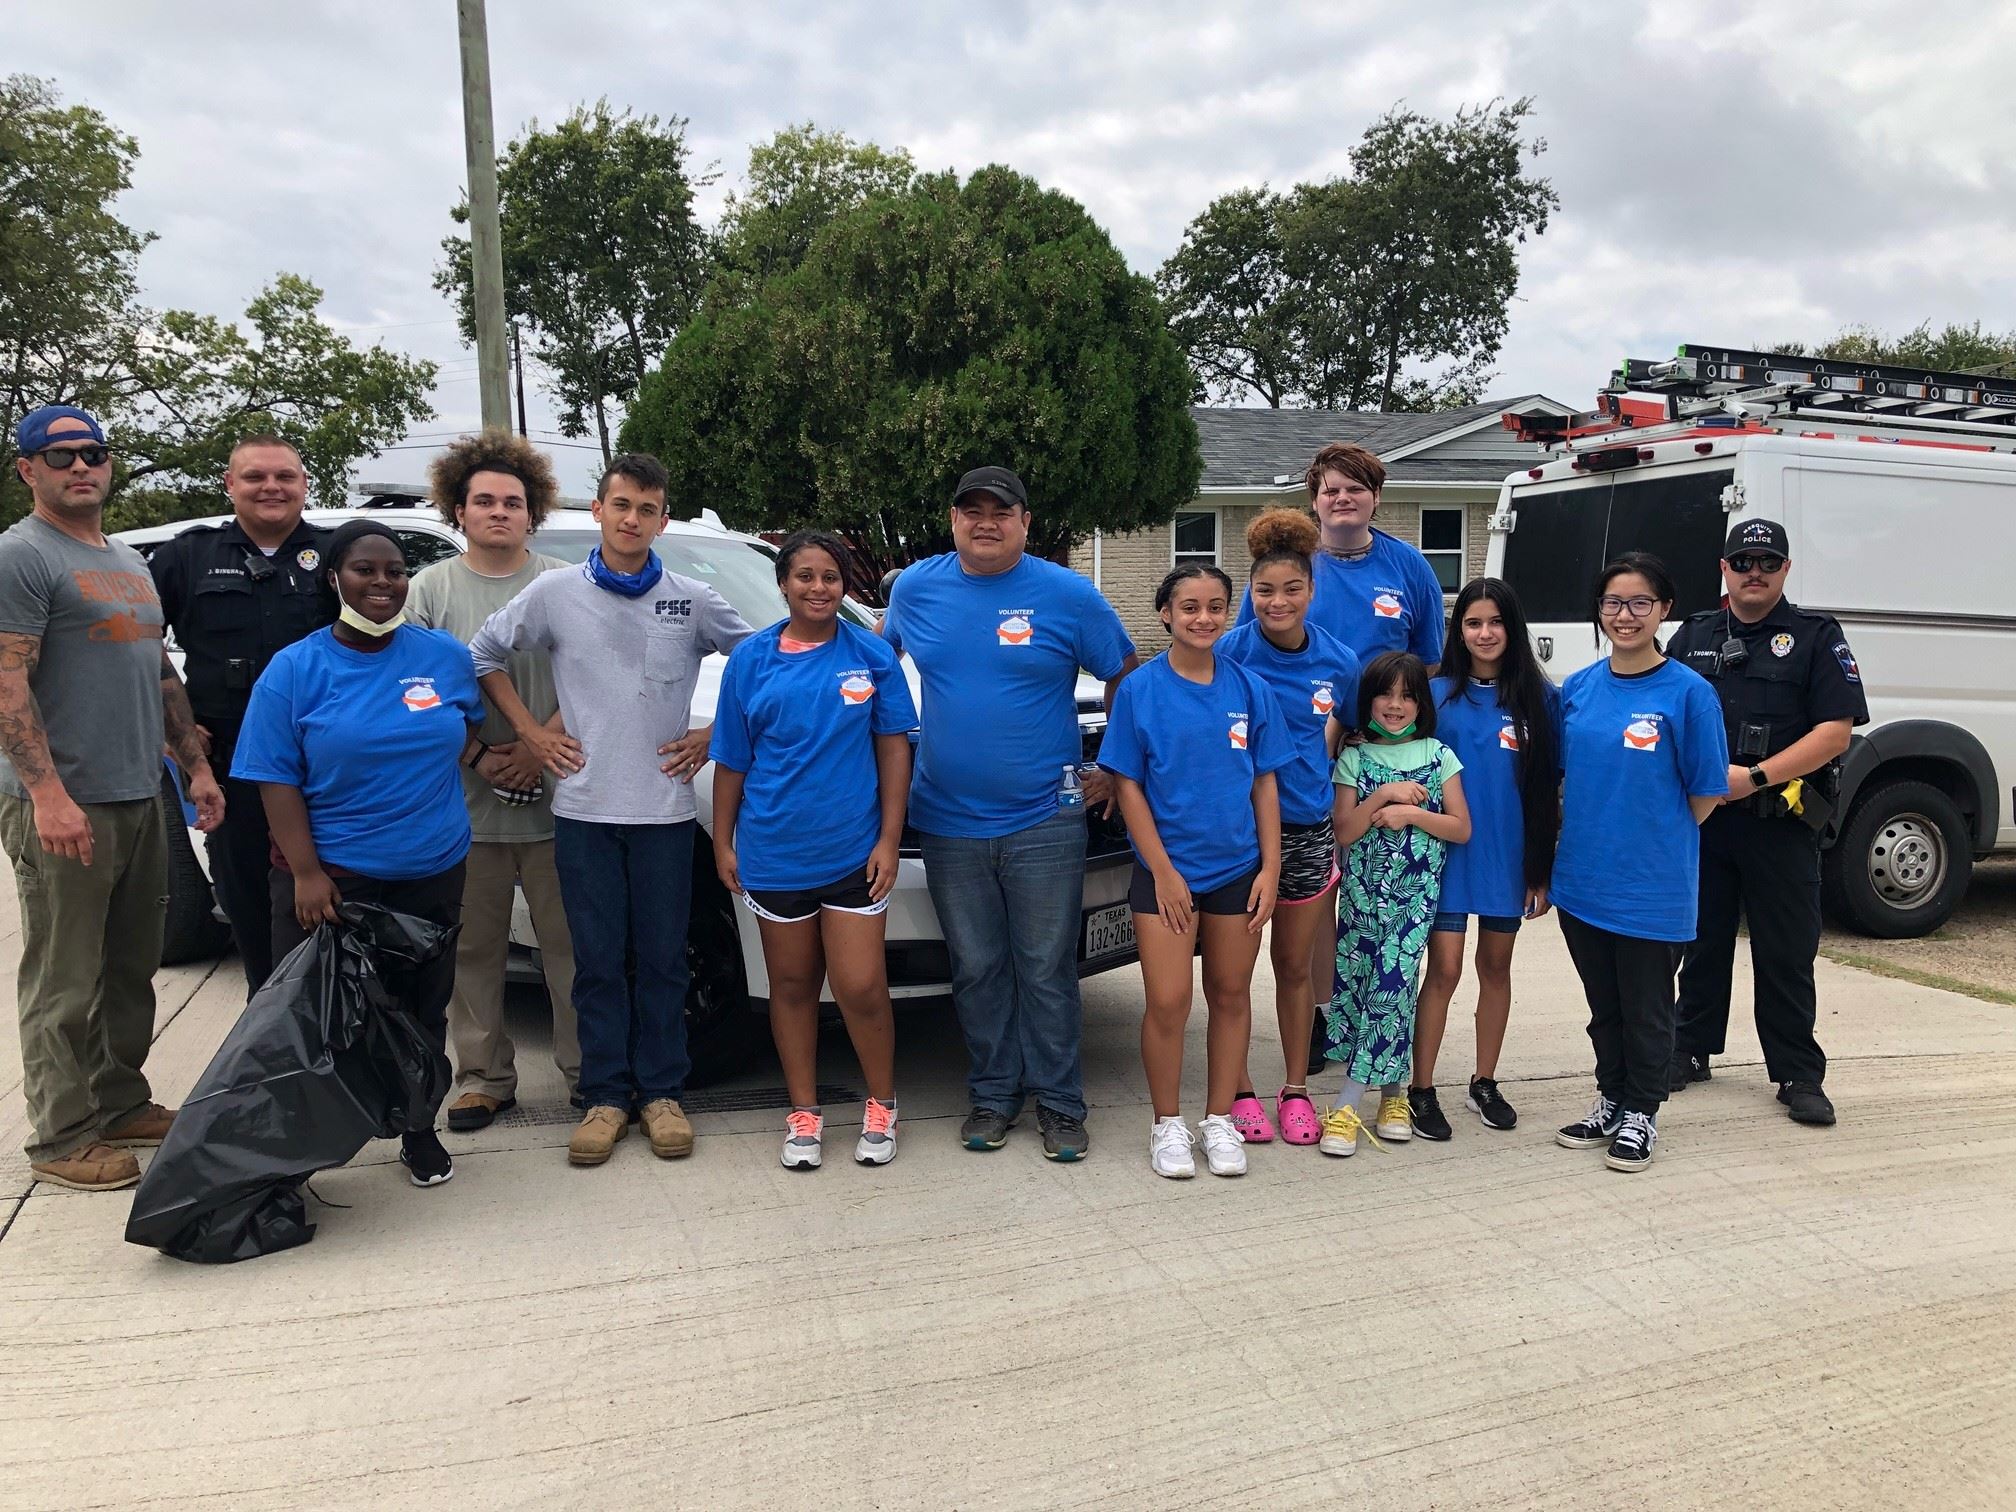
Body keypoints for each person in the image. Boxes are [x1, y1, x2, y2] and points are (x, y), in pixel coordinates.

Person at [470, 453, 753, 1168]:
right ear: (598, 510)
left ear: (663, 518)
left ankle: (661, 1095)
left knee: (661, 962)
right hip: (585, 812)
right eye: (621, 504)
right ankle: (604, 1096)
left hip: (662, 813)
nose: (633, 519)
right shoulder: (556, 594)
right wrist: (534, 734)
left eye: (648, 508)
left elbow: (763, 660)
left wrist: (715, 732)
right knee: (595, 964)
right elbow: (482, 656)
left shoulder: (691, 597)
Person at [881, 465, 1137, 1162]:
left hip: (1044, 819)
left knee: (1046, 968)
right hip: (948, 821)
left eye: (1002, 510)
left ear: (1026, 521)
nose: (985, 522)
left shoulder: (1067, 594)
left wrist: (1114, 763)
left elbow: (1126, 672)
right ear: (953, 518)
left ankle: (1060, 1104)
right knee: (977, 967)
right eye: (972, 510)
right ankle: (994, 1096)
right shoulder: (916, 588)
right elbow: (875, 665)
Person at [0, 405, 223, 1192]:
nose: (80, 467)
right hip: (68, 802)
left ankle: (119, 1100)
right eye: (59, 456)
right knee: (65, 977)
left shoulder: (126, 560)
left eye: (93, 452)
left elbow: (161, 675)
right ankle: (61, 1135)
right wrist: (46, 794)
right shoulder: (21, 557)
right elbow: (6, 680)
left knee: (130, 968)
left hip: (138, 793)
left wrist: (193, 766)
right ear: (28, 470)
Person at [232, 519, 489, 1188]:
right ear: (334, 578)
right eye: (366, 570)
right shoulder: (295, 669)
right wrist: (309, 873)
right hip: (334, 880)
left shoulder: (442, 657)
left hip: (432, 869)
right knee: (308, 1020)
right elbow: (273, 775)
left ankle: (418, 1128)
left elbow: (467, 732)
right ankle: (292, 1154)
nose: (383, 583)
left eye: (396, 571)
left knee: (419, 1011)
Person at [710, 531, 918, 1169]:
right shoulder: (751, 660)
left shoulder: (872, 656)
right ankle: (803, 1113)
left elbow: (893, 750)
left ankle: (881, 1104)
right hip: (775, 853)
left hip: (854, 854)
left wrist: (888, 838)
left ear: (845, 584)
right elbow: (732, 761)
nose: (819, 588)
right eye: (805, 576)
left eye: (831, 576)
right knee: (793, 988)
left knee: (860, 987)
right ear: (784, 583)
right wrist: (723, 840)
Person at [1667, 519, 1867, 1127]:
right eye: (1743, 561)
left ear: (1785, 570)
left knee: (1785, 952)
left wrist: (1753, 778)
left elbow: (1835, 732)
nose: (1755, 571)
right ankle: (1690, 1049)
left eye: (1768, 561)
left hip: (1780, 820)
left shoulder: (1814, 636)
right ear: (1724, 569)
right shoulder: (1694, 634)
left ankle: (1799, 1073)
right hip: (1706, 823)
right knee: (1699, 943)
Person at [407, 432, 580, 1132]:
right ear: (459, 509)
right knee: (473, 951)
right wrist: (481, 756)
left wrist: (538, 749)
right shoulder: (428, 590)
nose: (500, 512)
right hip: (464, 809)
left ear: (532, 511)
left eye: (513, 501)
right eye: (484, 500)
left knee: (571, 949)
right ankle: (483, 1077)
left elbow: (595, 676)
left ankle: (587, 1072)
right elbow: (412, 690)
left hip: (562, 803)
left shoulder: (566, 583)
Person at [1100, 564, 1287, 1179]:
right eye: (1189, 607)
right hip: (1166, 874)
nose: (1202, 618)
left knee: (1231, 995)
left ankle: (1219, 1120)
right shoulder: (1140, 691)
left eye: (1214, 607)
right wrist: (1163, 871)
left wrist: (1271, 866)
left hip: (1238, 869)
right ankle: (1167, 1125)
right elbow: (1127, 786)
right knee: (1169, 1001)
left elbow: (1265, 783)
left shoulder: (1249, 689)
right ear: (1166, 614)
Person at [1550, 553, 1728, 1174]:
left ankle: (1641, 1112)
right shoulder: (1577, 689)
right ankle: (1611, 1098)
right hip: (1581, 882)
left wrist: (1653, 839)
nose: (1624, 616)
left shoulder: (1690, 694)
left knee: (1649, 1008)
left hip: (1652, 886)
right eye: (1613, 604)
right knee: (1606, 1008)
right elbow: (1563, 779)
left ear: (1664, 611)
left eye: (1639, 604)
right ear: (1598, 612)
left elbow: (1706, 791)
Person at [148, 434, 330, 994]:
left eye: (285, 476)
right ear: (230, 485)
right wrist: (173, 733)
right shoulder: (185, 557)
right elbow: (135, 649)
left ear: (304, 485)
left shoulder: (338, 552)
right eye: (255, 477)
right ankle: (264, 1017)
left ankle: (327, 1018)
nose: (271, 487)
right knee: (247, 895)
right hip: (230, 764)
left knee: (330, 893)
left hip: (325, 765)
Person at [1216, 508, 1360, 1146]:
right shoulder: (1227, 652)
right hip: (1239, 837)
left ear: (1311, 590)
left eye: (1292, 589)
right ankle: (1239, 1088)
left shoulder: (1339, 661)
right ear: (1250, 592)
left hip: (1306, 828)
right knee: (1233, 974)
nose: (1278, 601)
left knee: (1296, 969)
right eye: (1265, 590)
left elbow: (1348, 735)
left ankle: (1296, 1089)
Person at [1408, 579, 1560, 1140]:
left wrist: (1540, 869)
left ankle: (1484, 1080)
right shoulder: (1437, 695)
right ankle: (1420, 1089)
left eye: (1496, 622)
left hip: (1508, 861)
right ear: (1459, 631)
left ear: (1512, 629)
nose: (1485, 633)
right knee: (1443, 970)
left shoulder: (1541, 701)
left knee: (1495, 968)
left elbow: (1548, 790)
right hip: (1446, 861)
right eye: (1473, 622)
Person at [1319, 651, 1471, 1158]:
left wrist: (1410, 813)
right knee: (1366, 991)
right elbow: (1344, 830)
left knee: (1394, 985)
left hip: (1412, 902)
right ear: (1369, 702)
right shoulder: (1354, 758)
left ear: (1421, 703)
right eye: (1386, 694)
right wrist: (1382, 794)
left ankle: (1345, 1104)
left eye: (1408, 695)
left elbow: (1460, 827)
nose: (1395, 704)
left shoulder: (1438, 754)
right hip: (1362, 898)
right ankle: (1394, 1095)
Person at [1234, 444, 1443, 667]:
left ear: (1376, 496)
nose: (1343, 498)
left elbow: (1429, 662)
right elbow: (1242, 652)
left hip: (1380, 701)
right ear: (1315, 502)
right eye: (1331, 492)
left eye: (1355, 489)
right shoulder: (1284, 564)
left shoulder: (1410, 565)